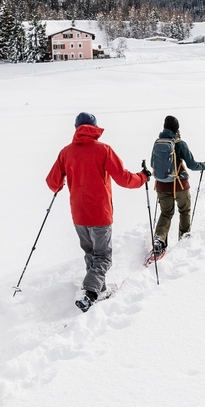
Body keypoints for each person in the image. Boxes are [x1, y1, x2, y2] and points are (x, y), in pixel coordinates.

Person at [46, 112, 150, 311]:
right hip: (100, 213)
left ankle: (99, 289)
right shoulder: (103, 150)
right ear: (95, 127)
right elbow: (123, 178)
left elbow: (52, 182)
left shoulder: (66, 152)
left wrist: (62, 183)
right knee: (103, 257)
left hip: (78, 214)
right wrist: (143, 177)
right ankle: (90, 292)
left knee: (91, 253)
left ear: (76, 128)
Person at [150, 115, 205, 258]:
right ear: (177, 128)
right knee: (184, 210)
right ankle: (184, 238)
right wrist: (203, 166)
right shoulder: (180, 143)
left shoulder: (157, 142)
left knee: (166, 213)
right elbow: (192, 165)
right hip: (180, 185)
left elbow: (152, 164)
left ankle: (159, 239)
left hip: (162, 186)